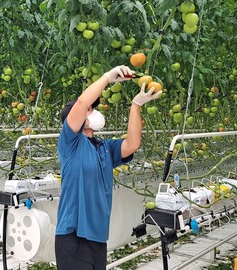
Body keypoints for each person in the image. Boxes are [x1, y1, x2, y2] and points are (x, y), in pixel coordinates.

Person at [55, 65, 162, 269]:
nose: (93, 111)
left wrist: (136, 104)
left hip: (97, 235)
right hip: (73, 235)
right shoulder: (70, 143)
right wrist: (107, 77)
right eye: (90, 109)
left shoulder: (105, 148)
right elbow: (82, 102)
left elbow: (132, 143)